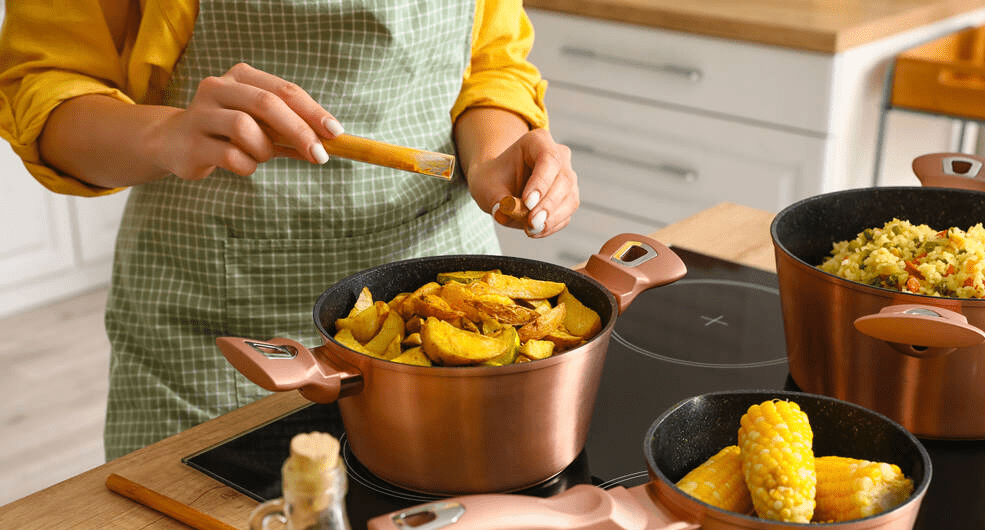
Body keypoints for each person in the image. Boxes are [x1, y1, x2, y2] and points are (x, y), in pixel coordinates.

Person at [0, 0, 580, 460]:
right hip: (214, 332)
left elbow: (490, 64)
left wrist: (495, 158)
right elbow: (47, 84)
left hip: (437, 304)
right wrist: (166, 135)